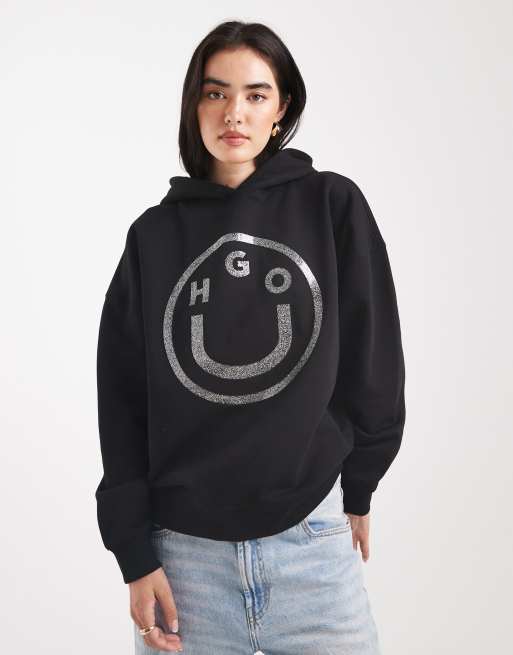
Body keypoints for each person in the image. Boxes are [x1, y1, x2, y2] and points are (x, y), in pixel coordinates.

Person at [94, 20, 406, 655]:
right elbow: (122, 398)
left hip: (311, 546)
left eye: (255, 94)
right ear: (194, 105)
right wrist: (134, 555)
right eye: (216, 93)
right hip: (183, 564)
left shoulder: (332, 205)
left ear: (281, 107)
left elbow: (374, 356)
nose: (234, 112)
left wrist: (360, 482)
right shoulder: (153, 237)